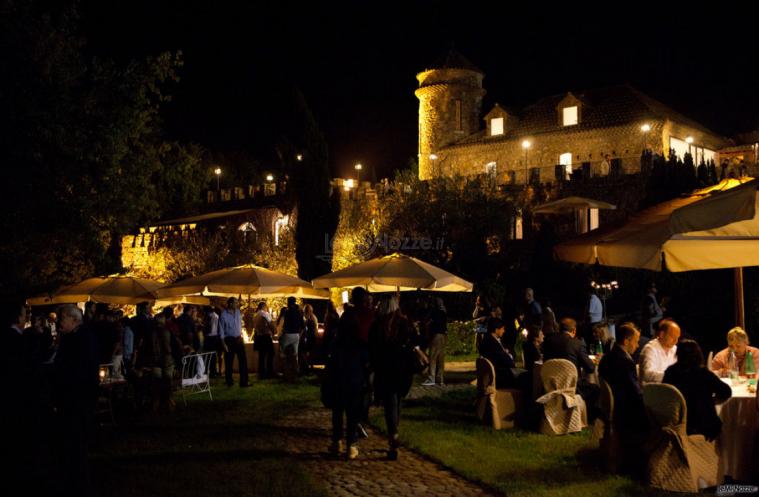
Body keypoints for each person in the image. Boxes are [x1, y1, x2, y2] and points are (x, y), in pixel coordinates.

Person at [52, 304, 99, 497]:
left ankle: (77, 483)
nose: (59, 321)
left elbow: (75, 371)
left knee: (75, 444)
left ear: (74, 319)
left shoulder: (79, 340)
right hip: (75, 400)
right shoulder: (76, 338)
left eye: (62, 318)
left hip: (76, 400)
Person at [369, 294, 418, 460]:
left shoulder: (378, 325)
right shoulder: (405, 323)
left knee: (390, 401)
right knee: (397, 400)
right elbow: (417, 340)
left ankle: (393, 435)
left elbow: (373, 348)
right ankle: (393, 435)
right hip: (404, 369)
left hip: (386, 368)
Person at [598, 322, 648, 474]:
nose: (638, 345)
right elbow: (634, 392)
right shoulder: (625, 362)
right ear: (626, 341)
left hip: (609, 405)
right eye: (636, 341)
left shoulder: (607, 358)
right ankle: (642, 460)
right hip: (624, 409)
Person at [327, 288, 370, 460]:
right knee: (352, 412)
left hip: (339, 376)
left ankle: (337, 441)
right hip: (354, 378)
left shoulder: (338, 343)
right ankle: (351, 445)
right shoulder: (359, 343)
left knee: (338, 411)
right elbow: (365, 360)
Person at [663, 339, 732, 441]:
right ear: (698, 354)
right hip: (701, 424)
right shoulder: (703, 373)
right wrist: (711, 400)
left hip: (674, 422)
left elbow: (665, 394)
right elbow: (726, 391)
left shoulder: (670, 372)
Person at [542, 317, 599, 407]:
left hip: (551, 386)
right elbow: (590, 368)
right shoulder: (577, 344)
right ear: (574, 330)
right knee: (595, 389)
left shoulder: (548, 342)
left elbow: (545, 362)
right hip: (572, 387)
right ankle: (587, 417)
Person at [479, 317, 520, 390]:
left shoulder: (490, 339)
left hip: (500, 372)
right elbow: (508, 362)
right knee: (528, 376)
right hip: (501, 375)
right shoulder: (491, 343)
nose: (504, 331)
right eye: (502, 328)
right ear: (496, 329)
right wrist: (508, 355)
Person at [639, 318, 680, 384]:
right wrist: (669, 376)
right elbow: (646, 375)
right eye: (673, 336)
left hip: (668, 388)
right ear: (662, 334)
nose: (676, 341)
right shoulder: (650, 349)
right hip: (653, 391)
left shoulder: (674, 349)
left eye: (677, 337)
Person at [219, 297, 248, 387]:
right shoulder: (223, 315)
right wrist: (223, 344)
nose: (237, 304)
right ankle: (229, 382)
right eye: (235, 303)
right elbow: (221, 331)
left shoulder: (238, 312)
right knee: (229, 362)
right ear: (230, 304)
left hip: (239, 339)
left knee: (243, 361)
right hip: (229, 340)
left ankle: (244, 382)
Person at [423, 297, 447, 386]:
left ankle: (431, 378)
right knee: (440, 358)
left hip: (436, 335)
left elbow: (428, 323)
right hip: (443, 335)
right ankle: (440, 379)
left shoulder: (434, 312)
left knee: (432, 357)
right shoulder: (444, 312)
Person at [278, 296, 305, 374]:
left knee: (284, 353)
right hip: (296, 335)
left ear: (288, 303)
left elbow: (283, 325)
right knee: (295, 354)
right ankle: (295, 371)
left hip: (287, 334)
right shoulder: (299, 313)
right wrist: (299, 335)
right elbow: (303, 326)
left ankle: (285, 371)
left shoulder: (286, 312)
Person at [253, 302, 277, 379]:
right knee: (271, 354)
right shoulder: (265, 314)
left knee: (262, 356)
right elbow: (270, 324)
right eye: (266, 306)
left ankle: (261, 372)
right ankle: (270, 371)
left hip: (258, 336)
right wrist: (274, 331)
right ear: (264, 306)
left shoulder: (255, 315)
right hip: (266, 336)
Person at [202, 306, 222, 377]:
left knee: (210, 355)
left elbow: (210, 329)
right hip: (214, 337)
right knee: (212, 355)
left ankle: (211, 371)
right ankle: (213, 371)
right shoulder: (215, 316)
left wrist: (204, 329)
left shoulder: (210, 316)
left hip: (210, 338)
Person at [300, 304, 319, 373]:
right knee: (310, 352)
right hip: (311, 337)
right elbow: (316, 328)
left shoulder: (307, 318)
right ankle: (309, 366)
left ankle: (307, 366)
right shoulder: (314, 317)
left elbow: (303, 328)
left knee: (306, 352)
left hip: (307, 337)